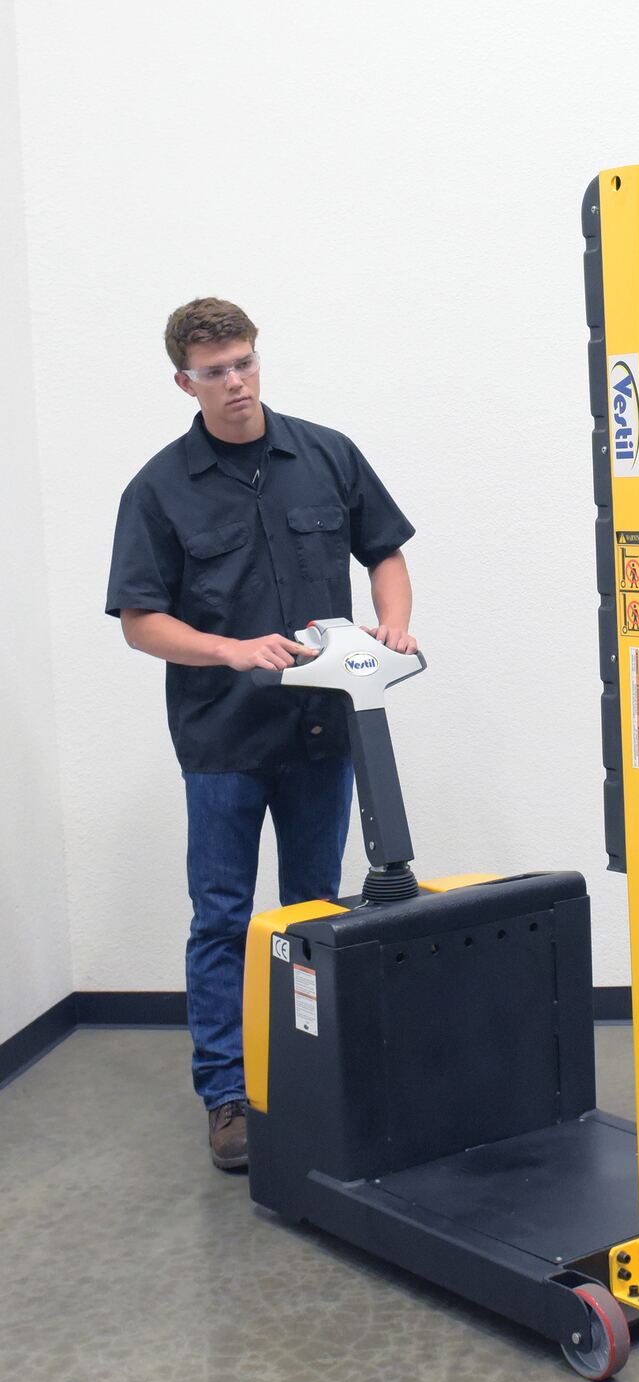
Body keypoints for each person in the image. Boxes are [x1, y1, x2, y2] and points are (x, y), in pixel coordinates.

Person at [105, 298, 418, 1171]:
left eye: (244, 362)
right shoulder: (157, 489)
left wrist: (393, 623)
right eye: (215, 372)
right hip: (223, 740)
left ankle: (313, 1073)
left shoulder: (326, 454)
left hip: (323, 729)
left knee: (314, 910)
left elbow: (384, 551)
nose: (236, 382)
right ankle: (229, 1095)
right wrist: (230, 650)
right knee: (222, 918)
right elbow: (139, 621)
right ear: (186, 383)